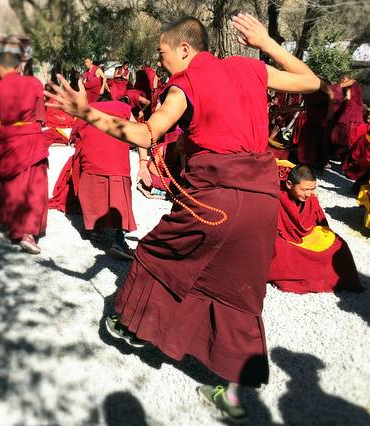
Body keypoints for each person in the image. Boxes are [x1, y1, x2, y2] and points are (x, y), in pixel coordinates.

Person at [46, 14, 320, 422]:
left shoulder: (185, 84)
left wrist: (86, 112)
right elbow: (311, 82)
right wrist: (266, 43)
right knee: (239, 293)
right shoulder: (249, 67)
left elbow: (146, 134)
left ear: (185, 49)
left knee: (157, 253)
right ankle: (233, 396)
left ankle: (133, 327)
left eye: (162, 53)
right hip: (263, 202)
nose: (160, 62)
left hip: (216, 201)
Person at [0, 52, 48, 254]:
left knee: (12, 186)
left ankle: (11, 227)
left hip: (8, 140)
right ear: (18, 67)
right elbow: (40, 117)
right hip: (31, 139)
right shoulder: (35, 83)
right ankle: (28, 234)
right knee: (33, 187)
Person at [267, 164, 363, 294]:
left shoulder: (311, 198)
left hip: (306, 234)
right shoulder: (276, 197)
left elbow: (320, 222)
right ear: (289, 184)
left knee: (339, 245)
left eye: (312, 189)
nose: (309, 194)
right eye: (304, 189)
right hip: (283, 237)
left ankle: (336, 280)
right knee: (281, 249)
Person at [69, 94, 136, 259]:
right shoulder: (123, 108)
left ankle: (96, 231)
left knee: (95, 195)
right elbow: (136, 132)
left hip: (92, 164)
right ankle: (119, 242)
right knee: (120, 201)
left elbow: (73, 138)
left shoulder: (87, 111)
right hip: (116, 164)